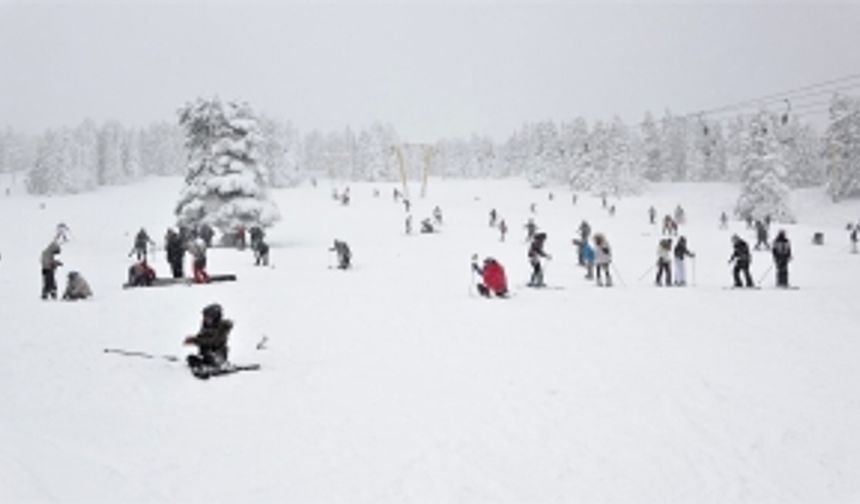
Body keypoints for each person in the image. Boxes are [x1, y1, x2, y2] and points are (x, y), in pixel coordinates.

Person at [184, 303, 233, 371]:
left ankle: (219, 364)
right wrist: (193, 339)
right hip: (204, 354)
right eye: (205, 317)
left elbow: (214, 341)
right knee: (191, 358)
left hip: (217, 354)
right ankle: (203, 365)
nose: (206, 319)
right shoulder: (206, 327)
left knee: (210, 356)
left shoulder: (222, 328)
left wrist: (195, 340)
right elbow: (201, 337)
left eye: (208, 317)